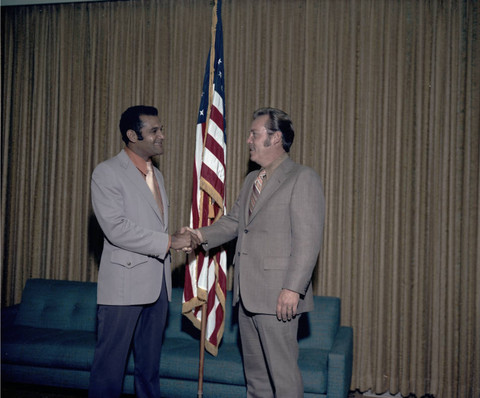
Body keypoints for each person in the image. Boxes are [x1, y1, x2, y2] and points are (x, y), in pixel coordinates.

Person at [189, 107, 325, 397]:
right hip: (247, 294)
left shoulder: (303, 177)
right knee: (257, 379)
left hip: (279, 297)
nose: (248, 139)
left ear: (275, 138)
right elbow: (233, 223)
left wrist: (292, 289)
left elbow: (308, 240)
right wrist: (198, 235)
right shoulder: (252, 180)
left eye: (254, 133)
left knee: (283, 377)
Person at [88, 105, 199, 398]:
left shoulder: (156, 175)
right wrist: (168, 243)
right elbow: (117, 229)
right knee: (109, 369)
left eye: (160, 129)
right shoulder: (107, 172)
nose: (162, 135)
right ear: (131, 135)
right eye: (154, 131)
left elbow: (150, 225)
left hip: (158, 287)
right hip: (123, 288)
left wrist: (173, 237)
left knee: (149, 370)